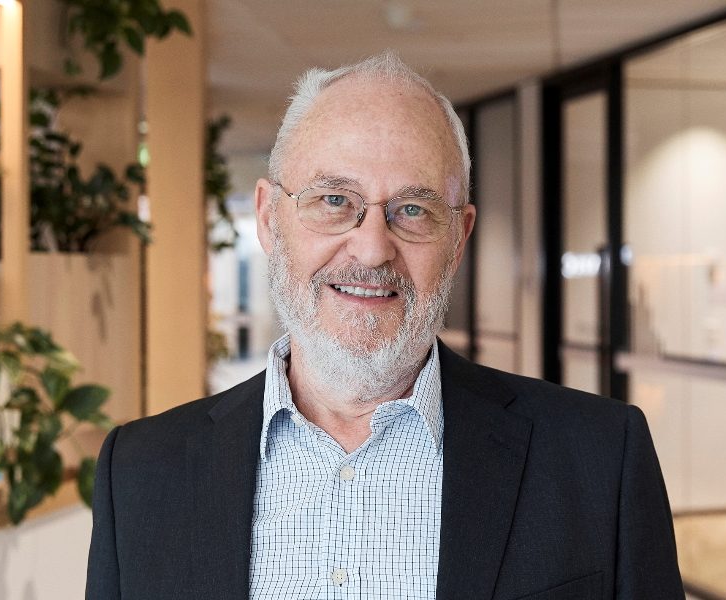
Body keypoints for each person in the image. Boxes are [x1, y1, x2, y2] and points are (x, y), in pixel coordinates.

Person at [87, 51, 683, 599]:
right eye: (334, 201)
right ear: (268, 219)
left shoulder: (600, 459)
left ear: (458, 239)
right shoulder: (139, 473)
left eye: (413, 210)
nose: (372, 249)